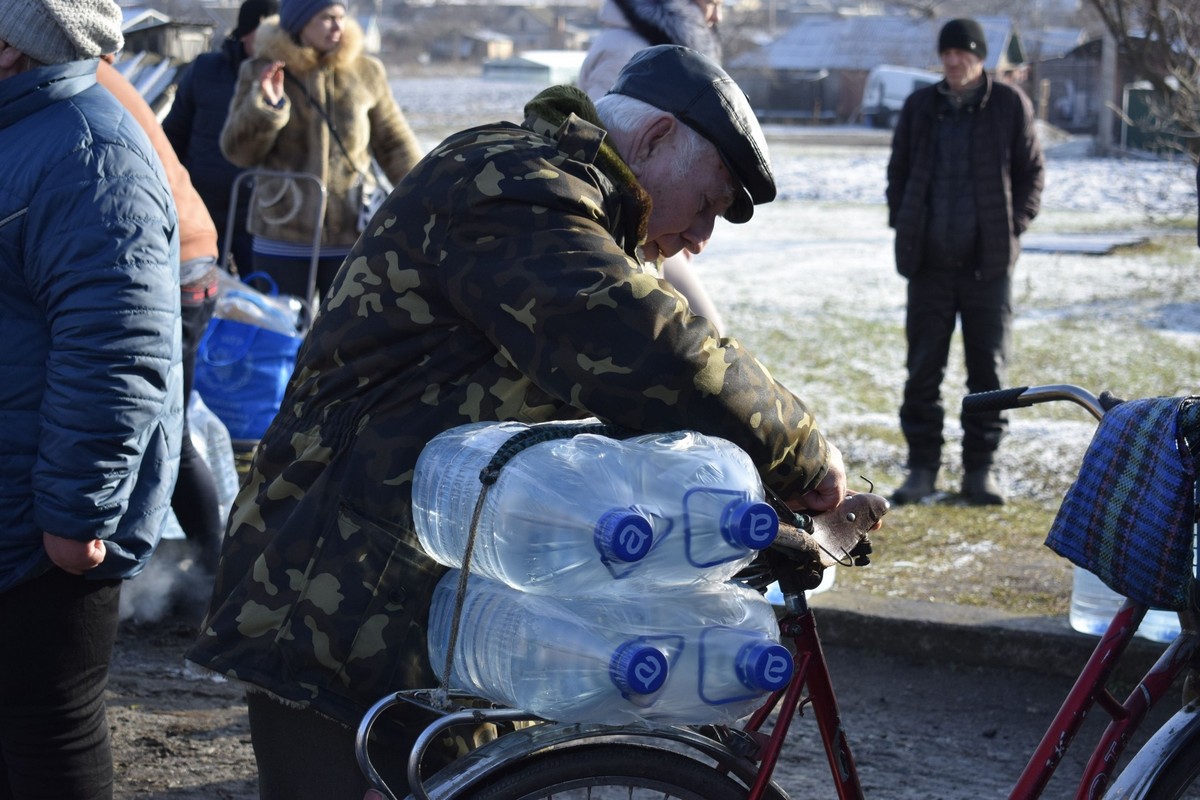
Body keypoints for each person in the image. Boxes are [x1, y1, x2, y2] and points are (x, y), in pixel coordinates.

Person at [188, 45, 848, 799]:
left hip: (428, 601)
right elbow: (647, 354)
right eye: (705, 203)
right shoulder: (512, 184)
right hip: (336, 600)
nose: (701, 238)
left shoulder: (568, 205)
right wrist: (802, 455)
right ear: (657, 137)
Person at [0, 0, 182, 796]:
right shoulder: (21, 133)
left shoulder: (89, 151)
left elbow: (119, 350)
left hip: (44, 532)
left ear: (11, 46)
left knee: (49, 736)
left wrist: (75, 517)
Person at [886, 18, 1044, 507]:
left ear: (979, 57)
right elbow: (898, 172)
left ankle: (981, 471)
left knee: (989, 374)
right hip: (929, 266)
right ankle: (921, 470)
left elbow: (1031, 174)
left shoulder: (1009, 105)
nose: (954, 61)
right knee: (922, 372)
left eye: (964, 53)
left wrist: (1011, 226)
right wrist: (904, 221)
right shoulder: (920, 107)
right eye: (947, 53)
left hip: (987, 269)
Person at [98, 57, 226, 574]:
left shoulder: (74, 83)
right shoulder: (93, 74)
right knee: (159, 423)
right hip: (181, 250)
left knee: (157, 425)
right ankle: (207, 570)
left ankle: (212, 574)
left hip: (169, 261)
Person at [218, 0, 422, 304]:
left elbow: (394, 143)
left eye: (340, 16)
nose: (338, 26)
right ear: (300, 22)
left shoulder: (366, 71)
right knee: (281, 336)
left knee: (348, 338)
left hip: (352, 233)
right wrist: (268, 109)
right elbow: (238, 152)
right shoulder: (261, 69)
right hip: (281, 232)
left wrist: (426, 194)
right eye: (327, 18)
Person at [578, 0, 728, 332]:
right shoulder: (629, 51)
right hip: (626, 227)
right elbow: (614, 146)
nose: (718, 15)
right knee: (704, 332)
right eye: (712, 2)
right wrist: (667, 229)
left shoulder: (646, 47)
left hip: (647, 222)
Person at [163, 0, 279, 274]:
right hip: (203, 207)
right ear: (249, 31)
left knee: (261, 298)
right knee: (203, 296)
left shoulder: (284, 79)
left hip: (258, 213)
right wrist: (171, 189)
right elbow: (174, 133)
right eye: (267, 29)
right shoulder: (205, 69)